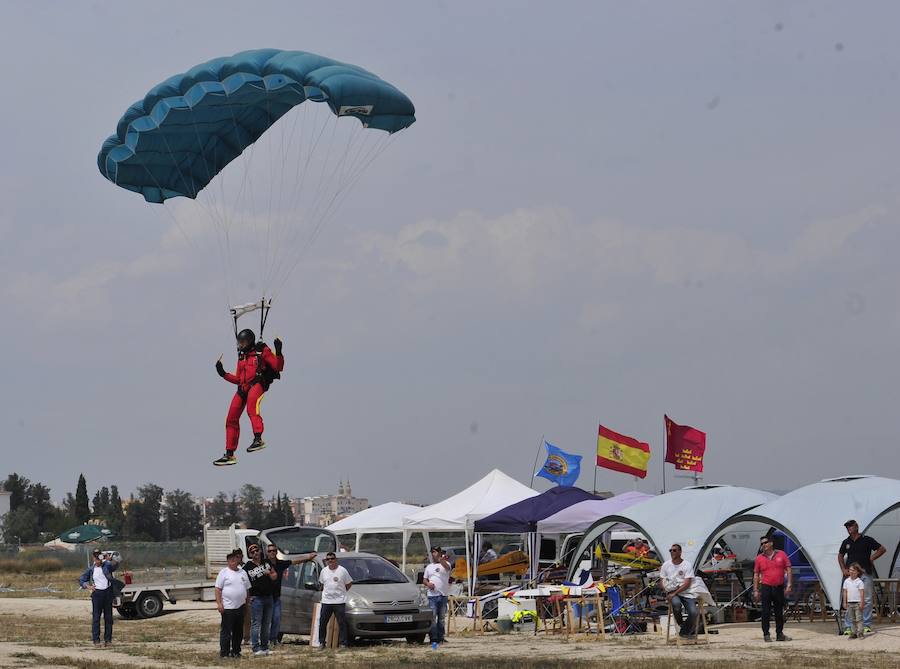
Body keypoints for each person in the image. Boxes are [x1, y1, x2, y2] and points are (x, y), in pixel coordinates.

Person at [213, 329, 284, 466]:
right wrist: (223, 373)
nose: (241, 345)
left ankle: (258, 439)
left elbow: (278, 366)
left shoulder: (261, 350)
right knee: (231, 418)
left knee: (251, 408)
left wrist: (279, 352)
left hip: (258, 383)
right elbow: (239, 379)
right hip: (243, 388)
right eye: (240, 343)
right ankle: (229, 454)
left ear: (250, 341)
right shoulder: (242, 357)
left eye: (243, 342)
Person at [838, 519, 885, 635]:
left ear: (856, 526)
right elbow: (840, 555)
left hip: (865, 573)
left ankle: (866, 625)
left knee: (867, 600)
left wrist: (872, 558)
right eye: (847, 527)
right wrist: (843, 569)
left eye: (850, 526)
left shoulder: (867, 540)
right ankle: (849, 626)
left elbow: (882, 549)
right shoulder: (846, 542)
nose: (849, 528)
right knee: (850, 600)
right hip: (851, 575)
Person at [266, 543, 316, 647]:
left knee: (276, 618)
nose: (272, 552)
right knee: (265, 620)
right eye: (270, 551)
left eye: (274, 551)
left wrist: (308, 557)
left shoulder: (280, 563)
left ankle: (273, 640)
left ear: (276, 552)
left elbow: (294, 561)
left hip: (276, 597)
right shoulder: (263, 564)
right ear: (267, 553)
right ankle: (264, 640)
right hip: (265, 597)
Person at [753, 535, 792, 642]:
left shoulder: (781, 554)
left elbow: (788, 569)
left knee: (779, 612)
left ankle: (780, 634)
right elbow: (756, 574)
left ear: (771, 543)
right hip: (766, 587)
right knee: (765, 612)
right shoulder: (759, 558)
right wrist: (756, 590)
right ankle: (766, 634)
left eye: (765, 542)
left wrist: (789, 584)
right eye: (762, 544)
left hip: (778, 587)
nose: (763, 545)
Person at [78, 549, 119, 647]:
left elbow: (116, 565)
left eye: (99, 558)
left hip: (107, 593)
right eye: (96, 558)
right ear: (93, 558)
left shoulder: (107, 566)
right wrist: (87, 586)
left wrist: (111, 559)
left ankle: (108, 640)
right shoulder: (91, 569)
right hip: (97, 595)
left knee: (108, 618)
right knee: (96, 618)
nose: (97, 560)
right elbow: (82, 579)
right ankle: (96, 640)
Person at [243, 543, 278, 656]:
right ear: (249, 554)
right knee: (256, 624)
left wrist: (269, 574)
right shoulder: (247, 567)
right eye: (252, 552)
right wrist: (248, 597)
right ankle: (256, 648)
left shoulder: (266, 562)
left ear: (260, 551)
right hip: (256, 599)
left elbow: (275, 576)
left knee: (266, 623)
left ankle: (264, 647)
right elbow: (242, 581)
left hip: (268, 597)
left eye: (256, 550)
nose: (255, 553)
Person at [215, 549, 251, 658]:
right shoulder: (224, 572)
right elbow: (218, 589)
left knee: (238, 631)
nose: (233, 561)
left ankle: (236, 651)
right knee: (226, 631)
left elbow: (247, 589)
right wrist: (219, 604)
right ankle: (224, 653)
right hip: (228, 607)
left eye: (234, 559)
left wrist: (247, 603)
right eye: (230, 560)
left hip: (240, 606)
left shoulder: (242, 572)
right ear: (228, 561)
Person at [659, 544, 699, 638]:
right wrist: (666, 589)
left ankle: (684, 631)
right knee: (676, 605)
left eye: (674, 550)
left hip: (686, 591)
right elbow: (661, 580)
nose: (672, 552)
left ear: (680, 552)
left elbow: (687, 583)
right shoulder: (666, 565)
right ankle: (682, 625)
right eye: (671, 550)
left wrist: (674, 593)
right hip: (671, 591)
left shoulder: (686, 564)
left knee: (694, 612)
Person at [317, 552, 353, 649]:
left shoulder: (342, 570)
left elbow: (349, 583)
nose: (330, 561)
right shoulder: (324, 571)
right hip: (326, 601)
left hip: (339, 601)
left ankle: (343, 643)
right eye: (328, 559)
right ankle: (321, 642)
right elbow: (322, 584)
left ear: (336, 559)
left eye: (332, 558)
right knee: (323, 622)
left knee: (341, 623)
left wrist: (342, 592)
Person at [424, 546, 452, 649]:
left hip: (443, 595)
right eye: (432, 552)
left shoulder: (446, 564)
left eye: (435, 552)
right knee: (433, 618)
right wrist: (428, 584)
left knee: (441, 618)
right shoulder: (429, 567)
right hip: (432, 596)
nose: (433, 554)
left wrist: (441, 559)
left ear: (439, 553)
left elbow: (448, 568)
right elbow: (424, 579)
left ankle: (441, 637)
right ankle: (433, 638)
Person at [842, 563, 866, 639]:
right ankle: (854, 633)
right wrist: (844, 602)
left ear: (858, 572)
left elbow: (862, 593)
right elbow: (845, 592)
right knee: (852, 619)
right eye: (850, 570)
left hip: (858, 603)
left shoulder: (860, 582)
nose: (851, 572)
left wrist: (862, 602)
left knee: (859, 619)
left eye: (853, 570)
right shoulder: (846, 581)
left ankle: (860, 633)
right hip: (850, 603)